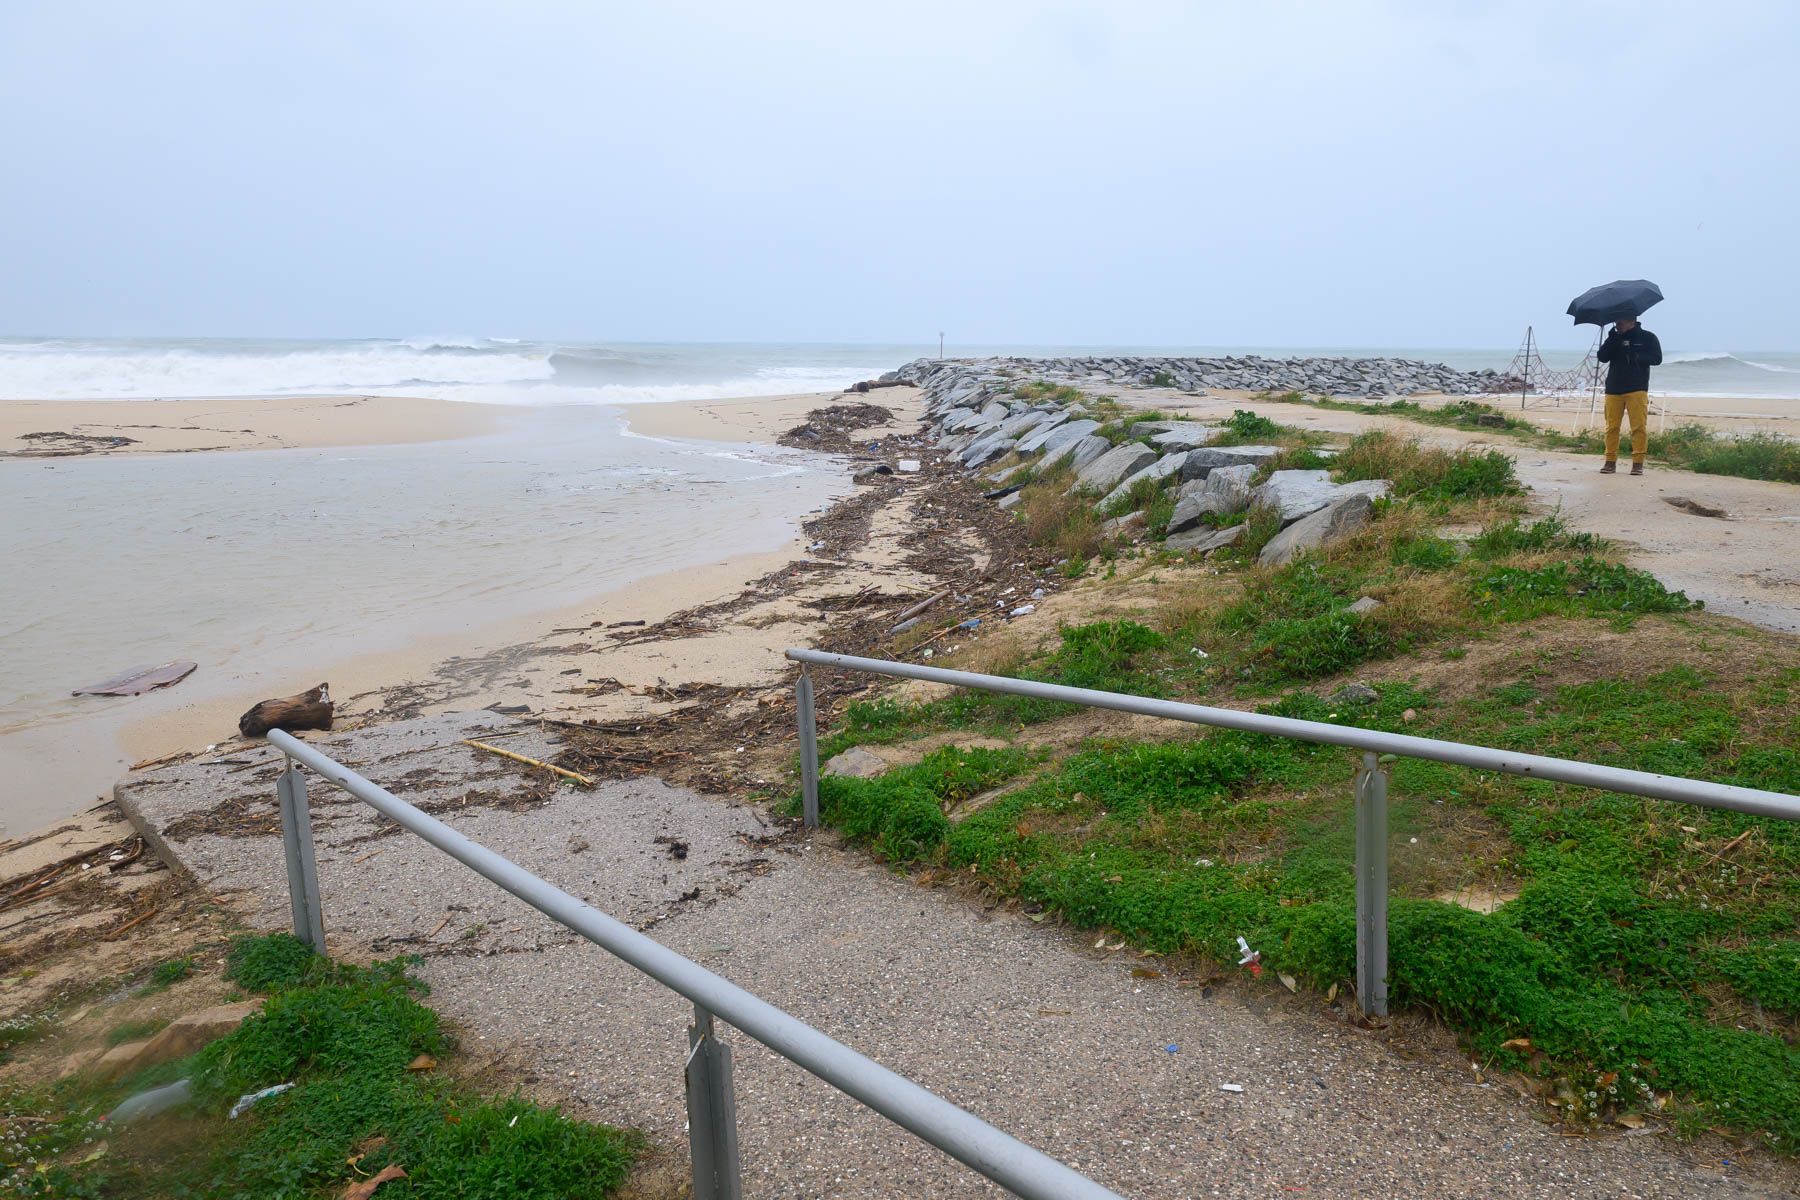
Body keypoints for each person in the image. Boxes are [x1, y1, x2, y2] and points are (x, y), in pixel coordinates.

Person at [1595, 317, 1663, 475]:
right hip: (1613, 388)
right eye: (1616, 322)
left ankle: (1638, 463)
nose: (1617, 325)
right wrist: (1612, 339)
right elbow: (1602, 357)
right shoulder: (1614, 338)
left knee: (1638, 427)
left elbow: (1657, 359)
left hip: (1637, 388)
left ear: (1632, 321)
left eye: (1620, 322)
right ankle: (1610, 461)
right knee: (1611, 427)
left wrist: (1636, 356)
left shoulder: (1648, 337)